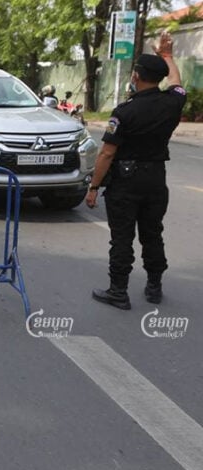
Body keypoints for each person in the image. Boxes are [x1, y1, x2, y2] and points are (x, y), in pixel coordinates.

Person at [85, 32, 186, 309]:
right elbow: (177, 83)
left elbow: (107, 152)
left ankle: (118, 291)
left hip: (126, 182)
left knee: (122, 237)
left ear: (138, 76)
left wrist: (94, 187)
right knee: (152, 233)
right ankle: (154, 286)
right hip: (155, 179)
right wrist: (167, 56)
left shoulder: (125, 111)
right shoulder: (172, 103)